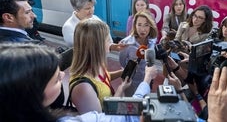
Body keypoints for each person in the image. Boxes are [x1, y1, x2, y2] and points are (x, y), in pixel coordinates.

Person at [0, 42, 158, 122]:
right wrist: (146, 80)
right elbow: (118, 117)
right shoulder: (82, 90)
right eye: (56, 79)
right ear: (32, 93)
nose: (63, 75)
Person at [69, 19, 133, 114]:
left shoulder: (96, 64)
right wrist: (121, 89)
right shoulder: (83, 88)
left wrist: (121, 73)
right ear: (97, 46)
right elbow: (101, 119)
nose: (111, 43)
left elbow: (103, 79)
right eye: (108, 40)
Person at [119, 10, 158, 96]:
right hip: (131, 84)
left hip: (147, 81)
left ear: (150, 26)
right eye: (139, 25)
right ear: (135, 26)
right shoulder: (126, 43)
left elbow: (151, 61)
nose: (142, 29)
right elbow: (122, 62)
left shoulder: (152, 41)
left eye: (146, 25)